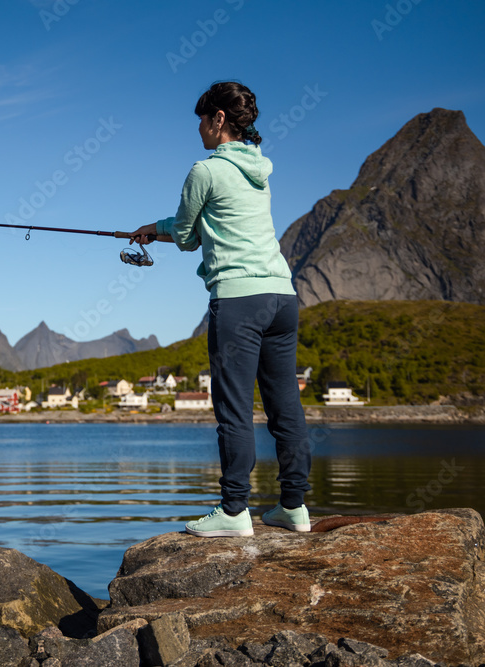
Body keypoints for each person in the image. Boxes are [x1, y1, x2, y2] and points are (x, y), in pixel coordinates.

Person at [130, 81, 311, 537]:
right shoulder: (261, 172)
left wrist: (155, 228)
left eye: (201, 118)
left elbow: (189, 238)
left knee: (234, 408)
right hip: (282, 297)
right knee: (285, 407)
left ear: (218, 120)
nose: (198, 128)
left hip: (238, 299)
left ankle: (234, 511)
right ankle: (293, 506)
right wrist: (159, 227)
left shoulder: (204, 171)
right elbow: (212, 222)